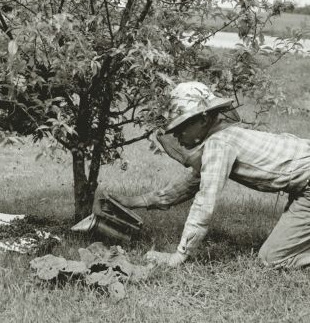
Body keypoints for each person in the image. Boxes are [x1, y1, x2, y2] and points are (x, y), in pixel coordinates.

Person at [94, 81, 310, 268]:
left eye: (182, 127)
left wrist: (180, 255)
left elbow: (204, 203)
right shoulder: (221, 141)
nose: (178, 137)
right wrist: (133, 201)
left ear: (204, 119)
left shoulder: (219, 144)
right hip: (302, 187)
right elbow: (187, 186)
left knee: (272, 260)